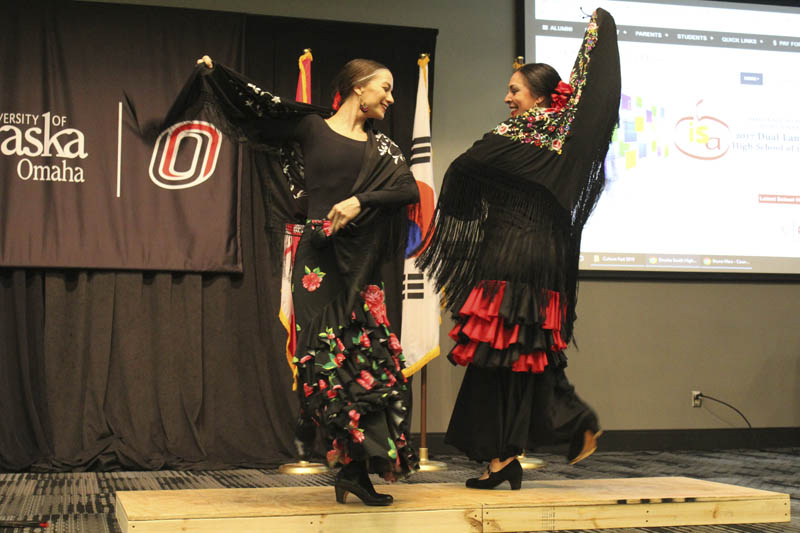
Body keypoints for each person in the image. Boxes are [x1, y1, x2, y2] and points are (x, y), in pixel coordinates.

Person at [189, 56, 420, 504]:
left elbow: (408, 189)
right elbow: (258, 109)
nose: (390, 98)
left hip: (361, 267)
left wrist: (359, 200)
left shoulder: (383, 148)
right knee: (329, 364)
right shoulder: (312, 128)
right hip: (318, 263)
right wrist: (218, 76)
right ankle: (345, 461)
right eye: (385, 88)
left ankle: (356, 470)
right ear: (359, 87)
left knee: (371, 367)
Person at [416, 8, 620, 490]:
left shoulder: (512, 137)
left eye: (515, 90)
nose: (507, 99)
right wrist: (599, 28)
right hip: (544, 258)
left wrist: (481, 199)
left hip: (509, 253)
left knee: (497, 355)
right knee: (517, 354)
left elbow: (462, 171)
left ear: (540, 96)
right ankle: (507, 456)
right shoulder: (567, 138)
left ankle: (557, 426)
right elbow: (591, 84)